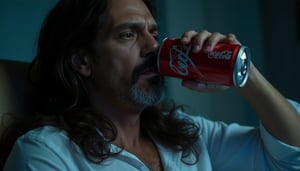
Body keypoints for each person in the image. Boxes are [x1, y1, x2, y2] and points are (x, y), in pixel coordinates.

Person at [1, 0, 300, 170]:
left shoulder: (187, 134)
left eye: (154, 33)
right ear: (82, 61)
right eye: (128, 35)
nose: (153, 47)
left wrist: (243, 75)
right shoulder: (46, 153)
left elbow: (292, 155)